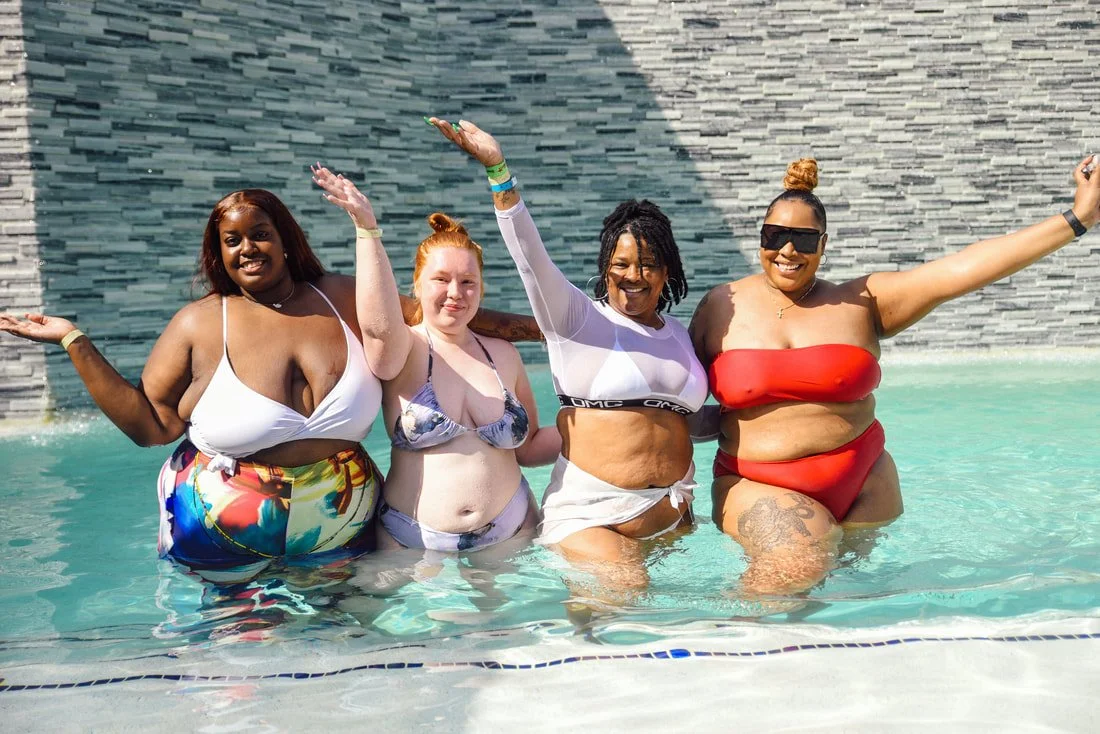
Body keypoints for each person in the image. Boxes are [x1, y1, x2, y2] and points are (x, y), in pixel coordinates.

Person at [0, 188, 542, 581]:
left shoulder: (343, 298)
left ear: (287, 239)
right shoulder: (201, 322)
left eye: (261, 234)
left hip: (339, 518)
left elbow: (444, 314)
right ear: (219, 253)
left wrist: (562, 329)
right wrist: (74, 340)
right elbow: (152, 425)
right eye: (231, 240)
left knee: (344, 659)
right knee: (239, 672)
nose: (248, 248)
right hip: (224, 522)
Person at [690, 155, 1100, 595]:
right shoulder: (722, 305)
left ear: (824, 245)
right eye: (775, 236)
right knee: (793, 572)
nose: (787, 250)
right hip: (758, 482)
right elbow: (672, 395)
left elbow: (961, 270)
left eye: (804, 240)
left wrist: (1077, 219)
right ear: (761, 238)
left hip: (867, 484)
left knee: (849, 600)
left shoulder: (862, 301)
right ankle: (715, 645)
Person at [426, 118, 709, 589]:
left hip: (671, 517)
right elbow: (528, 255)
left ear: (667, 272)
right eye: (620, 264)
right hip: (590, 518)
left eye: (648, 265)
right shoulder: (577, 319)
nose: (633, 275)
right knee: (626, 595)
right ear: (605, 267)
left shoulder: (678, 334)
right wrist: (499, 171)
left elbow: (680, 421)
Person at [312, 164, 560, 558]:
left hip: (512, 530)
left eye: (468, 282)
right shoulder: (404, 350)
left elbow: (528, 450)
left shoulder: (503, 355)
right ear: (417, 284)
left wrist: (594, 424)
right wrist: (367, 229)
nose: (455, 293)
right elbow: (377, 324)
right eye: (441, 279)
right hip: (415, 543)